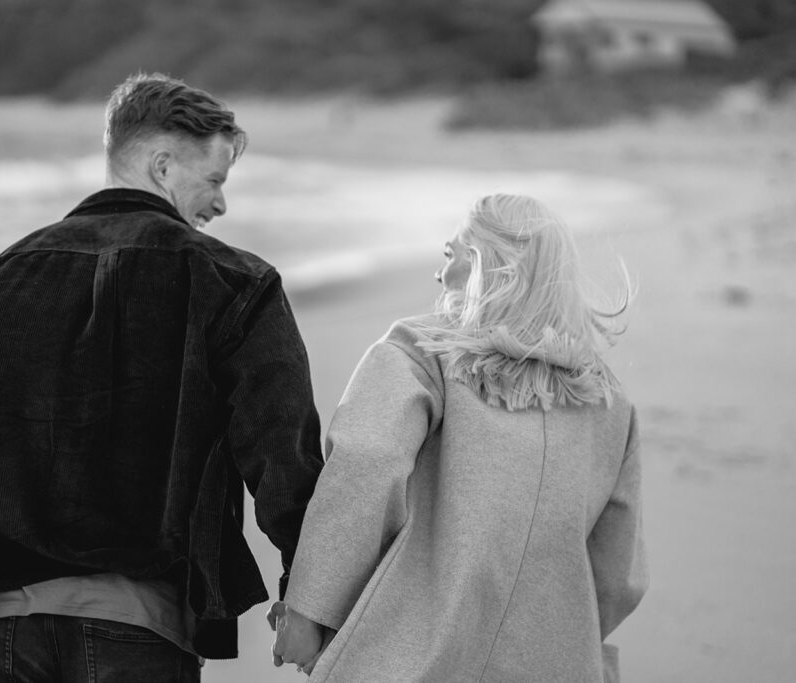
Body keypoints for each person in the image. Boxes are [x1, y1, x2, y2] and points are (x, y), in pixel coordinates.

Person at [0, 72, 324, 682]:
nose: (220, 204)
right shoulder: (234, 282)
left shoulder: (2, 277)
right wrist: (311, 593)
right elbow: (281, 451)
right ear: (163, 167)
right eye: (214, 180)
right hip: (141, 624)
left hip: (10, 631)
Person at [271, 194, 648, 681]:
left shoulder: (420, 354)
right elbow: (619, 575)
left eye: (451, 255)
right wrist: (564, 628)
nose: (439, 273)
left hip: (411, 657)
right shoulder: (609, 404)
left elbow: (363, 472)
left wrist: (309, 610)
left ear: (483, 266)